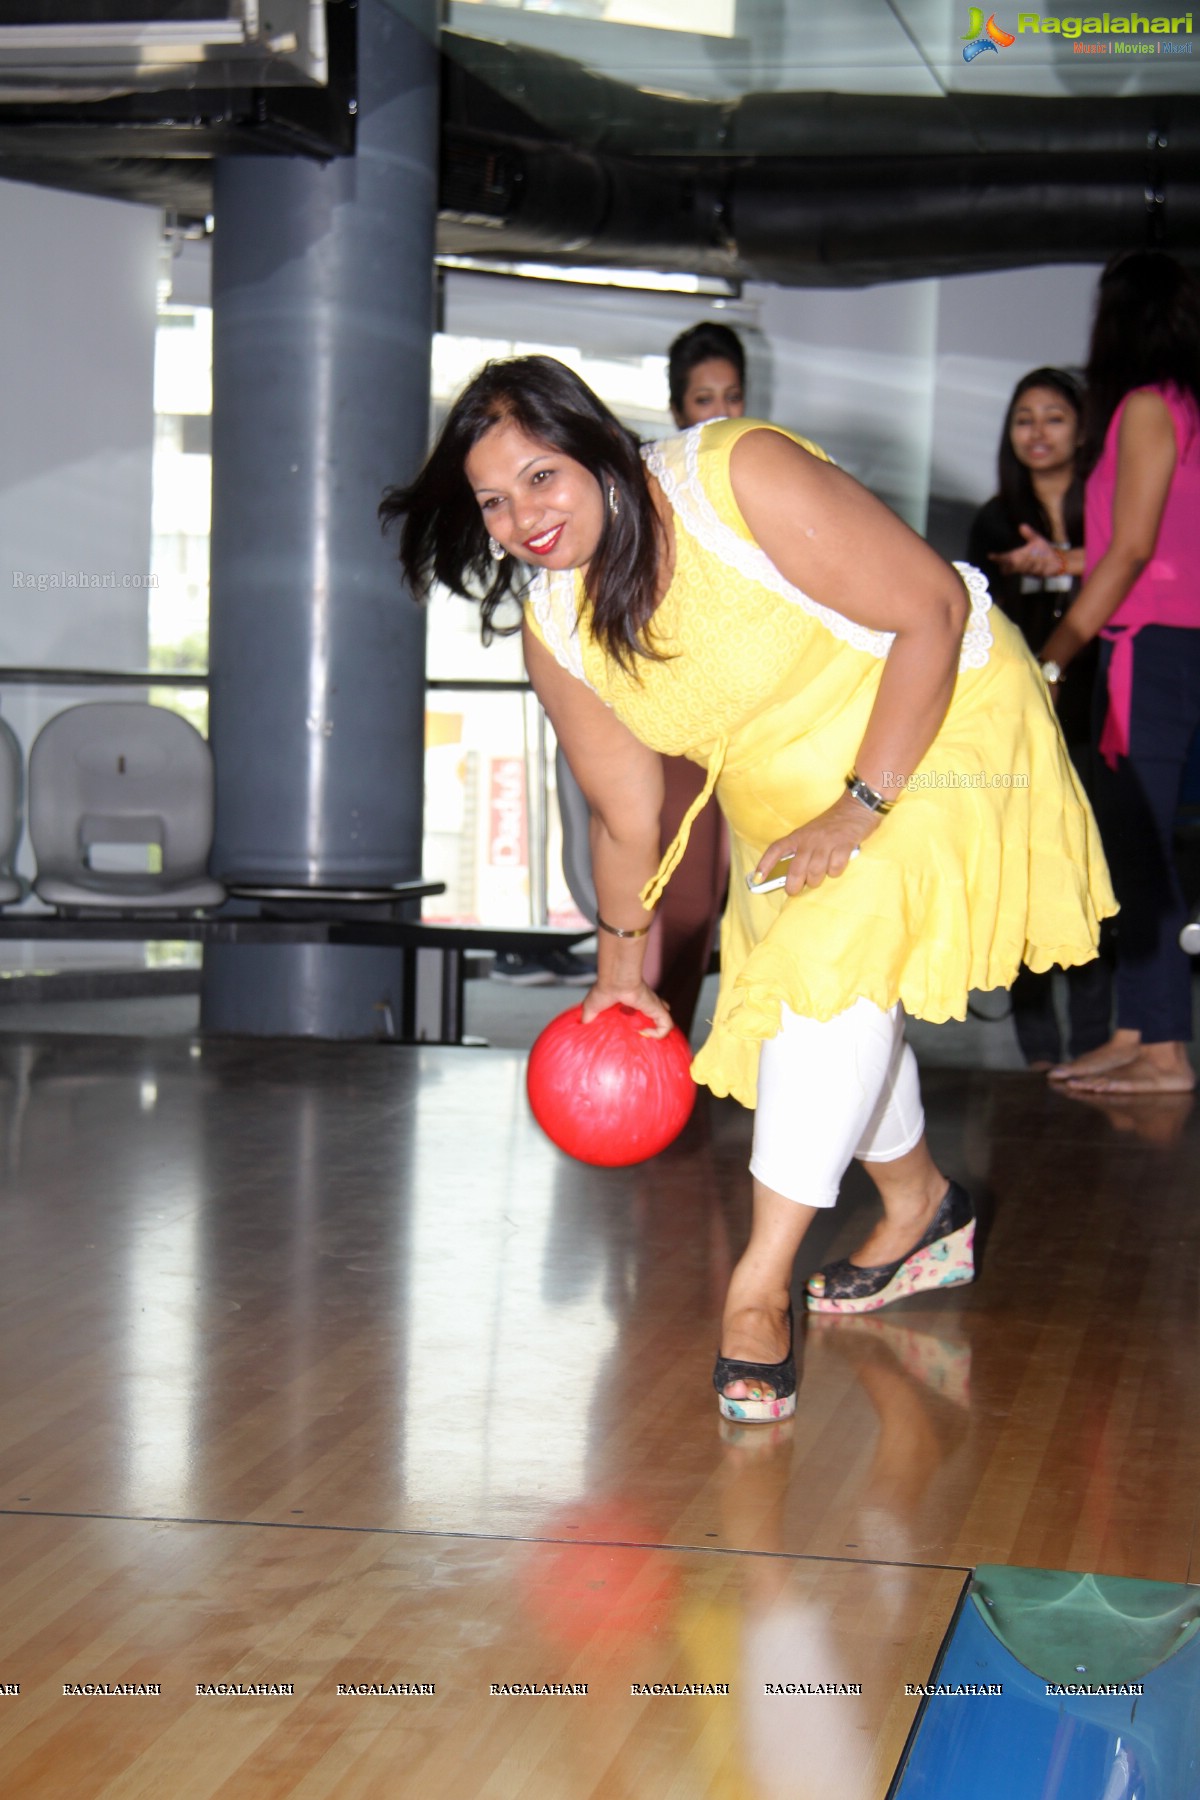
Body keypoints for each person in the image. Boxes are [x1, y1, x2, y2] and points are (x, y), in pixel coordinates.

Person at [381, 355, 1114, 1422]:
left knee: (828, 983)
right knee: (809, 1011)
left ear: (600, 450)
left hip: (939, 726)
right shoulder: (559, 628)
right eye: (493, 501)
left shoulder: (734, 476)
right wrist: (620, 975)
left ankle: (758, 1287)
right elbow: (628, 816)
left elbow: (926, 614)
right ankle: (921, 1205)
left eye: (541, 477)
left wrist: (862, 804)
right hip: (785, 795)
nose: (520, 517)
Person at [1034, 251, 1200, 1096]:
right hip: (1174, 640)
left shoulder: (1143, 406)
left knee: (1141, 853)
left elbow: (1133, 550)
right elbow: (1154, 543)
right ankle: (1138, 1029)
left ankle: (1166, 1049)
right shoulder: (1184, 406)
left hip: (1148, 647)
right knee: (1137, 848)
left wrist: (1056, 651)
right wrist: (1064, 556)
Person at [968, 368, 1112, 1068]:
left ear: (1082, 430)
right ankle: (1037, 1056)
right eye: (1024, 418)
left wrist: (1073, 561)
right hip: (1020, 733)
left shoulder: (1112, 519)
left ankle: (1093, 1042)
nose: (1038, 432)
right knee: (1024, 879)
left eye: (1054, 417)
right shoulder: (994, 520)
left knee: (1090, 880)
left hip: (1099, 719)